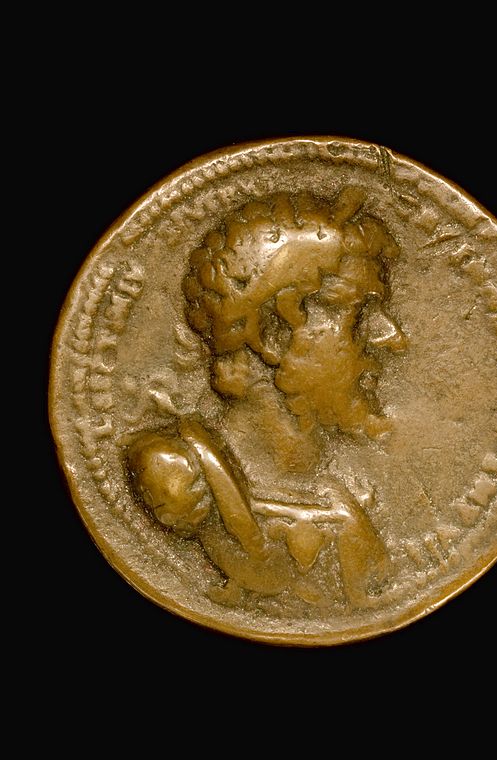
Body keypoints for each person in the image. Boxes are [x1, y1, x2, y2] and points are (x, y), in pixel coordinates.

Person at [127, 188, 406, 607]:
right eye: (358, 313)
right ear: (272, 337)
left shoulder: (339, 496)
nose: (392, 338)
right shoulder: (179, 483)